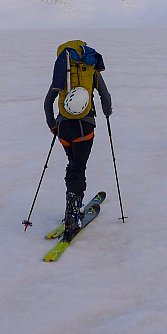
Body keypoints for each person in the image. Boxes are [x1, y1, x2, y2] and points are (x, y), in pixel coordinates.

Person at [44, 40, 112, 235]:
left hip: (64, 128)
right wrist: (108, 113)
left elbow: (48, 102)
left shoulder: (62, 72)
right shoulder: (91, 70)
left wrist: (52, 125)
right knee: (78, 166)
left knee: (73, 163)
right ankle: (73, 213)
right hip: (85, 127)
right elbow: (105, 97)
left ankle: (72, 204)